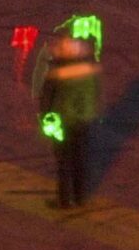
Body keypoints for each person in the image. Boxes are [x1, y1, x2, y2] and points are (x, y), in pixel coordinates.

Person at [39, 35, 102, 207]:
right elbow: (95, 94)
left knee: (64, 161)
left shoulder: (57, 72)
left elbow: (45, 99)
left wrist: (45, 118)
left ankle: (64, 200)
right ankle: (80, 197)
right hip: (84, 120)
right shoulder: (89, 69)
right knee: (80, 159)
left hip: (63, 121)